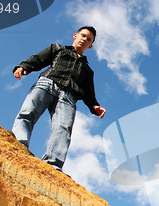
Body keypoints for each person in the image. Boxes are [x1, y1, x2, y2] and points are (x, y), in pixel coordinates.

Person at [11, 26, 106, 172]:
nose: (84, 40)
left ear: (90, 45)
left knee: (63, 128)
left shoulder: (87, 70)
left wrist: (94, 106)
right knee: (28, 112)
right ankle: (18, 142)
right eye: (83, 35)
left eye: (88, 39)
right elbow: (38, 59)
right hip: (47, 84)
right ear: (75, 35)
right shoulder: (58, 49)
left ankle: (53, 164)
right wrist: (24, 67)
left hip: (68, 97)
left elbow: (89, 94)